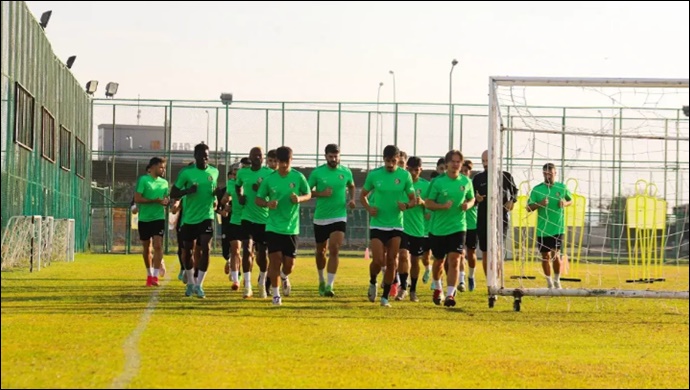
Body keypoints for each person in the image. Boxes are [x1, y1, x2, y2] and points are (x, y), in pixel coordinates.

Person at [360, 145, 416, 307]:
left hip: (396, 225)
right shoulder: (375, 175)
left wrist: (406, 205)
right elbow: (363, 196)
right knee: (378, 260)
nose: (390, 164)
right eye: (387, 161)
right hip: (378, 224)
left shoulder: (405, 176)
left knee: (392, 260)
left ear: (398, 160)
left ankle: (385, 297)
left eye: (393, 161)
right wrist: (369, 208)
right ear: (383, 159)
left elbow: (412, 199)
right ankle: (372, 282)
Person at [256, 146, 311, 306]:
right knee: (275, 260)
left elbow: (308, 194)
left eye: (287, 162)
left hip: (291, 228)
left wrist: (299, 199)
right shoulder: (269, 179)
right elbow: (258, 199)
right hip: (273, 226)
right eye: (281, 162)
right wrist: (267, 203)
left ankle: (285, 277)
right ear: (277, 161)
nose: (284, 165)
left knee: (289, 265)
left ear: (291, 160)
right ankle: (275, 295)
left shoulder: (298, 177)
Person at [424, 150, 474, 307]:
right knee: (439, 261)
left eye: (458, 161)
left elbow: (472, 198)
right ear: (446, 164)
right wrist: (441, 206)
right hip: (438, 229)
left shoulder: (466, 182)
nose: (456, 164)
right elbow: (428, 203)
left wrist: (469, 204)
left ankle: (450, 295)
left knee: (455, 260)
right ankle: (438, 287)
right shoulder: (437, 182)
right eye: (453, 161)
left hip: (458, 227)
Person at [170, 143, 219, 298]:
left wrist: (216, 198)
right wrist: (187, 191)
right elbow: (174, 192)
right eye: (202, 155)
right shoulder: (186, 173)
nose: (205, 158)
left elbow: (214, 190)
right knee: (188, 251)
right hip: (190, 218)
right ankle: (190, 282)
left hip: (207, 216)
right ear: (195, 156)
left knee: (206, 248)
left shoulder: (214, 172)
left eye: (207, 156)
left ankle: (199, 284)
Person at [307, 143, 356, 297]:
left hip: (339, 216)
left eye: (336, 156)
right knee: (320, 251)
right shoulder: (317, 172)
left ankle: (329, 285)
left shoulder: (346, 172)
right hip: (321, 217)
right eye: (331, 156)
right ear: (325, 156)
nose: (334, 159)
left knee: (334, 248)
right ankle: (321, 279)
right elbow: (307, 192)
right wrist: (321, 193)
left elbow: (352, 186)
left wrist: (352, 199)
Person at [473, 150, 518, 298]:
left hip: (501, 219)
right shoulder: (478, 178)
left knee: (497, 251)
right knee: (486, 252)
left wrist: (512, 201)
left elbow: (515, 192)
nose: (485, 163)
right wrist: (476, 198)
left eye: (488, 160)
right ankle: (490, 284)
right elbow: (471, 197)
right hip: (483, 219)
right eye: (483, 160)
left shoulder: (505, 176)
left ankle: (497, 281)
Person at [236, 147, 274, 298]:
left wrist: (262, 190)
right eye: (254, 155)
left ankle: (262, 283)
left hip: (264, 219)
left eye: (260, 155)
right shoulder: (242, 173)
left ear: (263, 157)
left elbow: (274, 191)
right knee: (246, 249)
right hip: (247, 217)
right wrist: (240, 196)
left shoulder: (269, 174)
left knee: (263, 253)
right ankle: (248, 285)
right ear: (250, 157)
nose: (257, 157)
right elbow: (237, 185)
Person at [527, 163, 573, 289]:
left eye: (550, 173)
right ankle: (549, 282)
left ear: (555, 173)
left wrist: (565, 203)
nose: (548, 176)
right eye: (545, 173)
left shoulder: (561, 187)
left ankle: (557, 280)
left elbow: (571, 200)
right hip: (543, 229)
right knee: (545, 256)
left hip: (558, 227)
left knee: (555, 254)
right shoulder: (537, 190)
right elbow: (528, 208)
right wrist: (539, 204)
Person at [397, 156, 430, 302]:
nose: (413, 173)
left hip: (418, 229)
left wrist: (423, 203)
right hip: (401, 226)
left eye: (416, 170)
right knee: (403, 256)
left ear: (420, 170)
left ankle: (413, 290)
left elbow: (430, 209)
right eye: (410, 170)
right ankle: (403, 287)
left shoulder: (426, 186)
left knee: (415, 261)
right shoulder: (401, 183)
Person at [133, 157, 170, 287]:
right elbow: (137, 198)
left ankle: (155, 276)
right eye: (161, 167)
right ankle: (149, 275)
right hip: (144, 219)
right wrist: (154, 200)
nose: (163, 170)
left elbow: (166, 198)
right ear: (153, 167)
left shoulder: (164, 183)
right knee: (146, 247)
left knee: (158, 245)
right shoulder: (143, 180)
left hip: (159, 218)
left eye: (164, 168)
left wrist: (166, 201)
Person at [460, 160, 477, 291]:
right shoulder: (456, 184)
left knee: (471, 254)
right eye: (462, 170)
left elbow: (475, 200)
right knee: (460, 253)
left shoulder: (472, 186)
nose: (464, 173)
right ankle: (461, 280)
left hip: (472, 225)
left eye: (466, 171)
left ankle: (471, 276)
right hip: (459, 225)